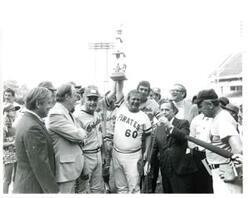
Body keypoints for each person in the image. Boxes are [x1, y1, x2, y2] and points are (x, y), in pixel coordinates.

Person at [196, 89, 243, 194]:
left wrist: (232, 171)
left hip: (227, 174)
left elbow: (238, 149)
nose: (200, 111)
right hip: (220, 172)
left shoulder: (223, 119)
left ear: (210, 104)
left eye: (200, 106)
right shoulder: (218, 118)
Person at [13, 87, 58, 193]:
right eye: (48, 103)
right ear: (38, 104)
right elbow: (41, 165)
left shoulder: (26, 120)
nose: (50, 107)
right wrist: (54, 192)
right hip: (33, 187)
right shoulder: (33, 127)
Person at [73, 85, 116, 193]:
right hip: (85, 156)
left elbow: (99, 135)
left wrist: (103, 154)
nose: (92, 102)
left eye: (95, 99)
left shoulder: (96, 113)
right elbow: (76, 144)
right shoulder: (77, 116)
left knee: (97, 189)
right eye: (89, 99)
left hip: (97, 154)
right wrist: (81, 164)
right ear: (83, 98)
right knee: (82, 190)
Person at [46, 83, 87, 193]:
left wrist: (80, 132)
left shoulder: (66, 112)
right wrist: (81, 133)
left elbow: (79, 131)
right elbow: (78, 135)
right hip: (64, 170)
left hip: (71, 167)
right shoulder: (56, 114)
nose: (76, 99)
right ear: (67, 97)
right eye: (74, 95)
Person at [151, 100, 198, 193]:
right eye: (162, 110)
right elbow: (155, 148)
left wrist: (169, 125)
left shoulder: (183, 123)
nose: (164, 112)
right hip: (165, 170)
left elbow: (183, 137)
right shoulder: (158, 128)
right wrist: (149, 164)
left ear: (174, 111)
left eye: (167, 110)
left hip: (181, 169)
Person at [112, 89, 152, 193]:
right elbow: (119, 90)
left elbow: (148, 135)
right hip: (116, 153)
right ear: (128, 100)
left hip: (132, 156)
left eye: (138, 100)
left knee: (134, 187)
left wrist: (147, 151)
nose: (136, 101)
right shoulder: (121, 109)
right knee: (120, 187)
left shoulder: (144, 117)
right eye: (133, 99)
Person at [188, 112, 213, 193]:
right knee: (200, 181)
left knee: (212, 180)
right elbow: (191, 137)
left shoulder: (216, 118)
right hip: (200, 155)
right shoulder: (196, 119)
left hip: (214, 154)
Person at [3, 103, 20, 193]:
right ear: (7, 112)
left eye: (15, 110)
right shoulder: (3, 125)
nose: (14, 112)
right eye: (12, 110)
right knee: (7, 179)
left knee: (16, 178)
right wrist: (12, 143)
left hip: (16, 153)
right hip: (8, 154)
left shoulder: (14, 123)